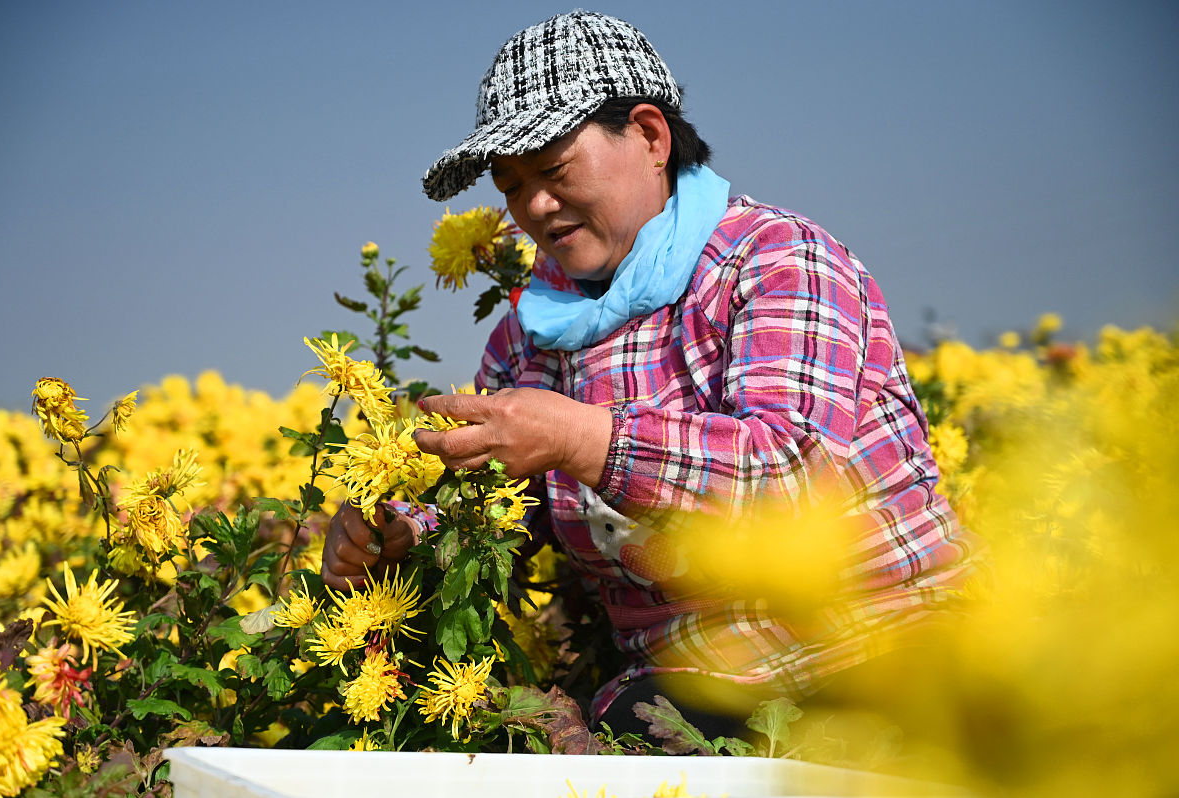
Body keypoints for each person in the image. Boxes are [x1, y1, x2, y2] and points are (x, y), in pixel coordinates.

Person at [321, 10, 981, 740]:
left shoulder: (775, 261)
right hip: (698, 690)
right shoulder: (527, 338)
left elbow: (794, 481)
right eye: (510, 185)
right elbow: (507, 511)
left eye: (554, 170)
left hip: (886, 651)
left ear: (651, 137)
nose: (534, 206)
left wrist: (584, 441)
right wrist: (402, 538)